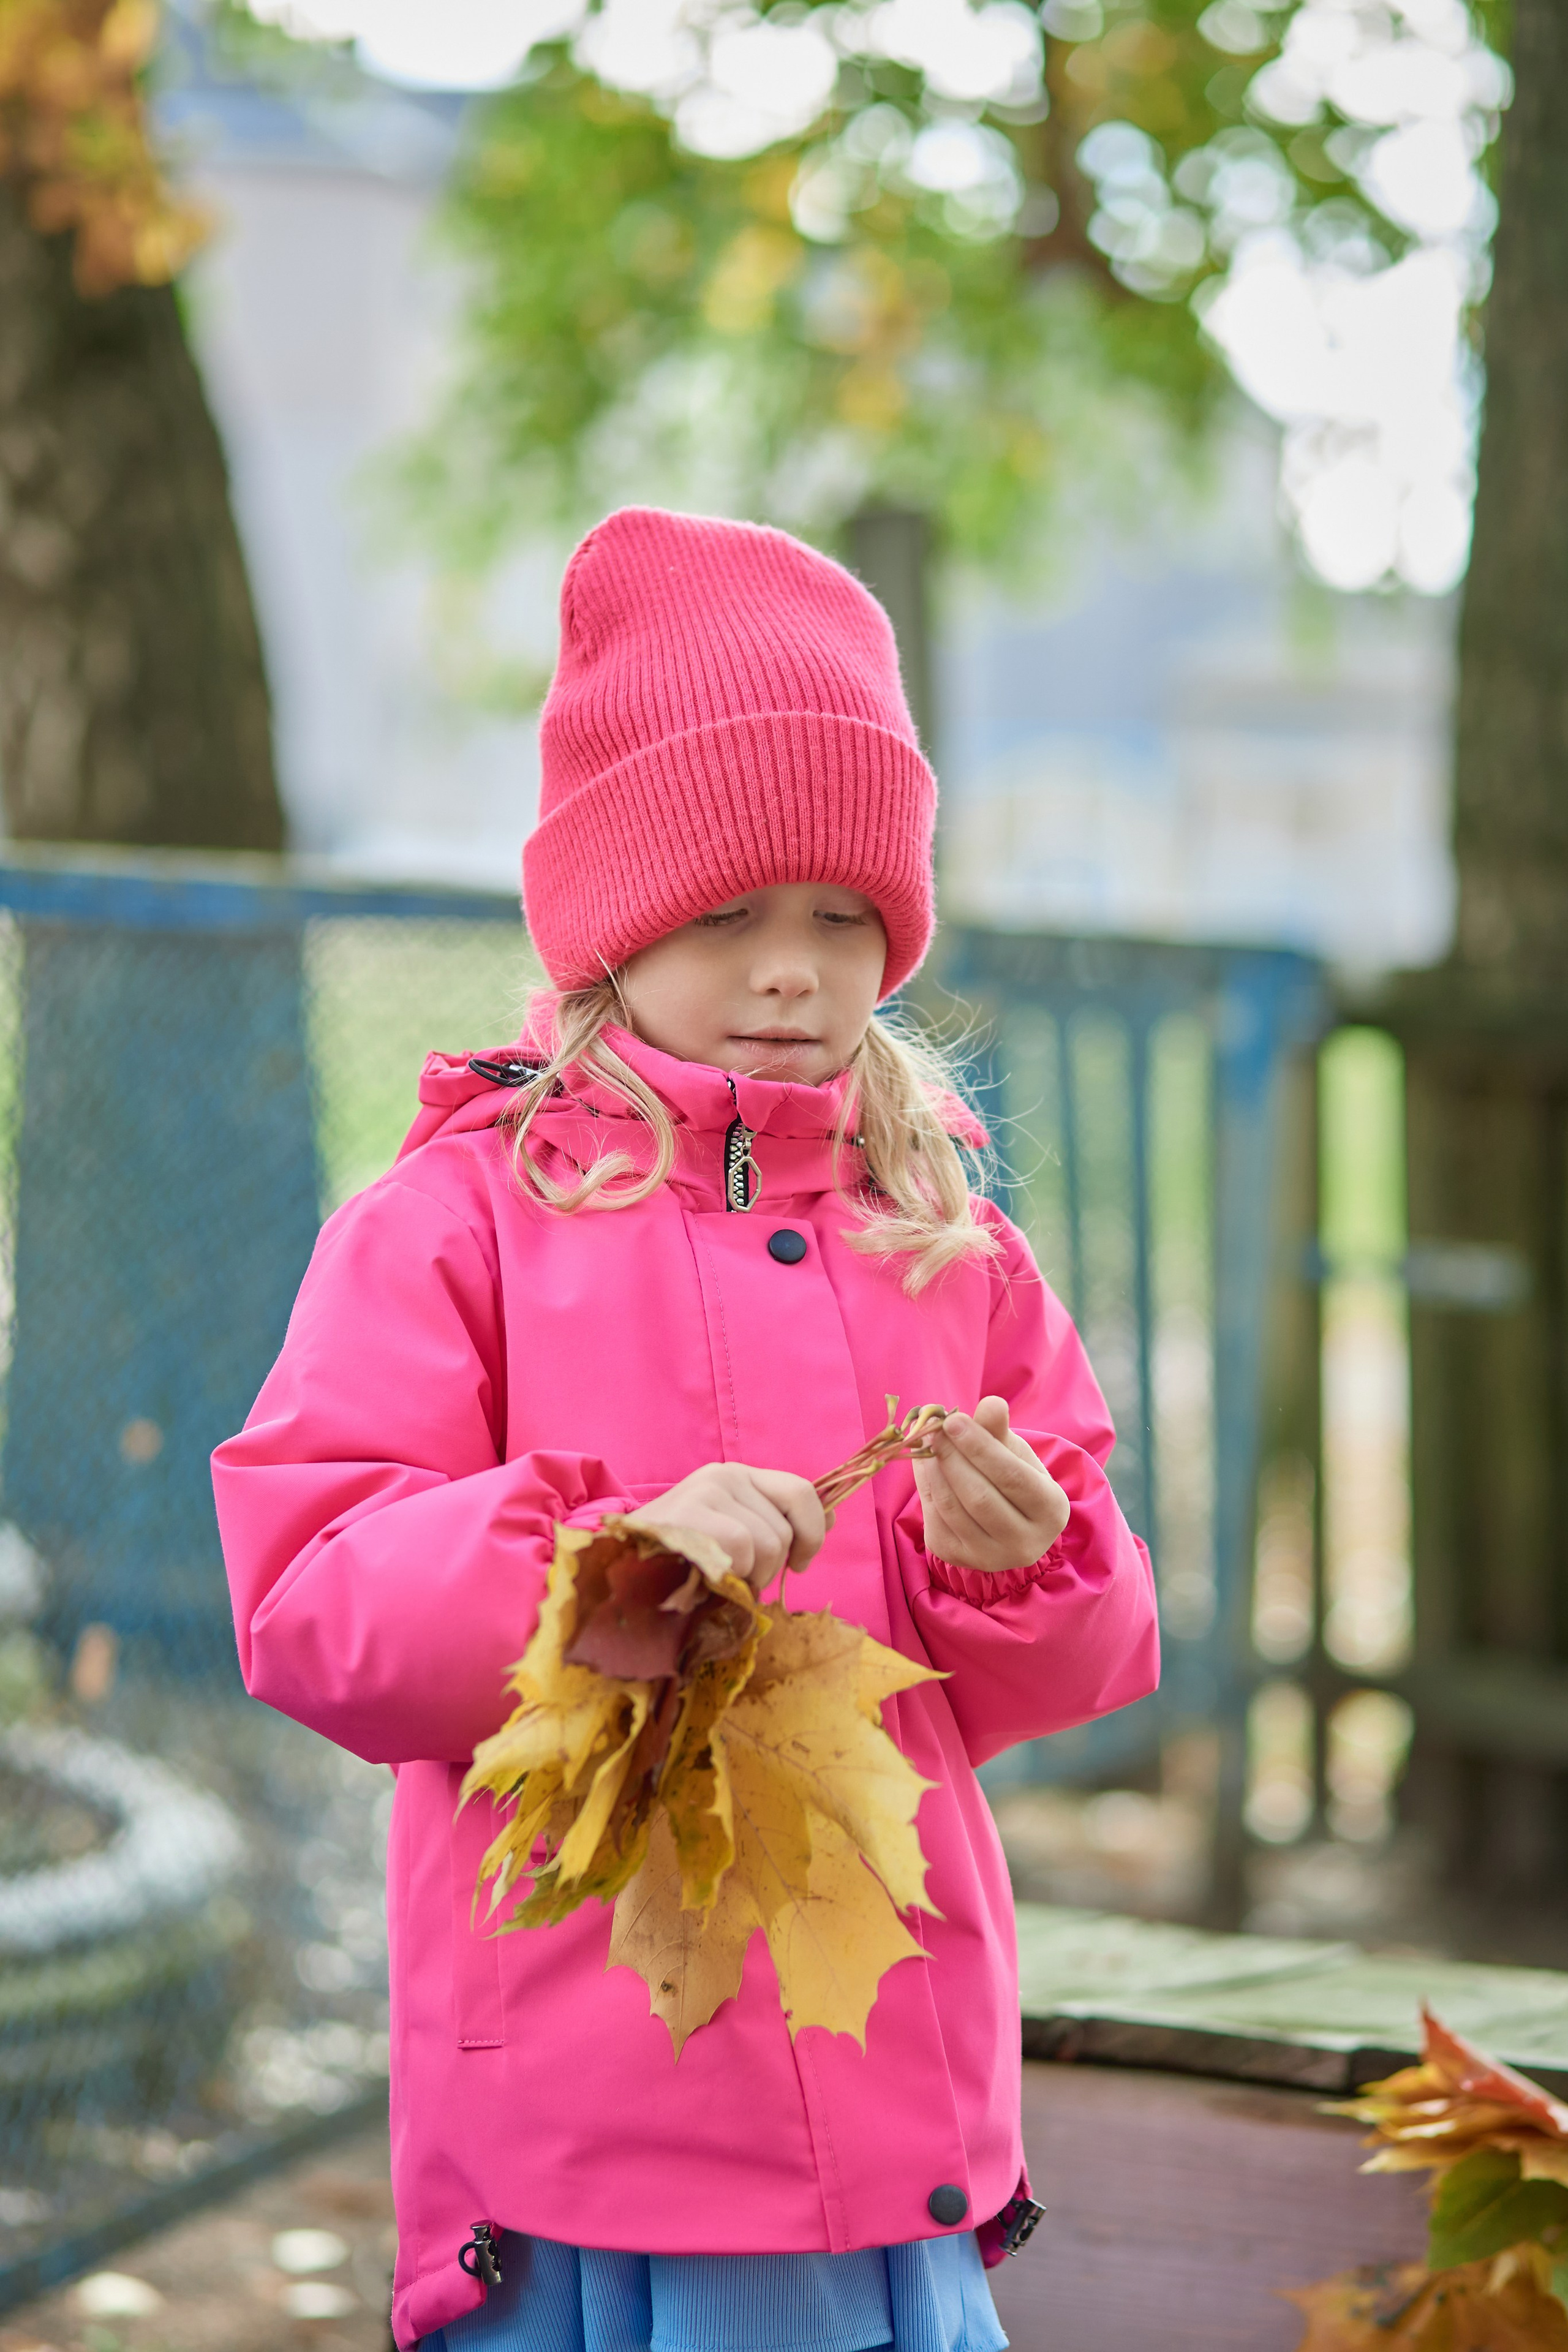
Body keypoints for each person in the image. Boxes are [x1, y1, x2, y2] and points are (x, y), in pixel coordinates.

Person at [213, 507, 1159, 2352]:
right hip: (594, 2104)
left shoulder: (948, 1241)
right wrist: (604, 1572)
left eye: (842, 915)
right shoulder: (454, 1226)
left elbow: (1085, 1651)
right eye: (728, 915)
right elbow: (315, 1599)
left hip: (885, 2080)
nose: (795, 969)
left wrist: (1025, 1560)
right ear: (613, 922)